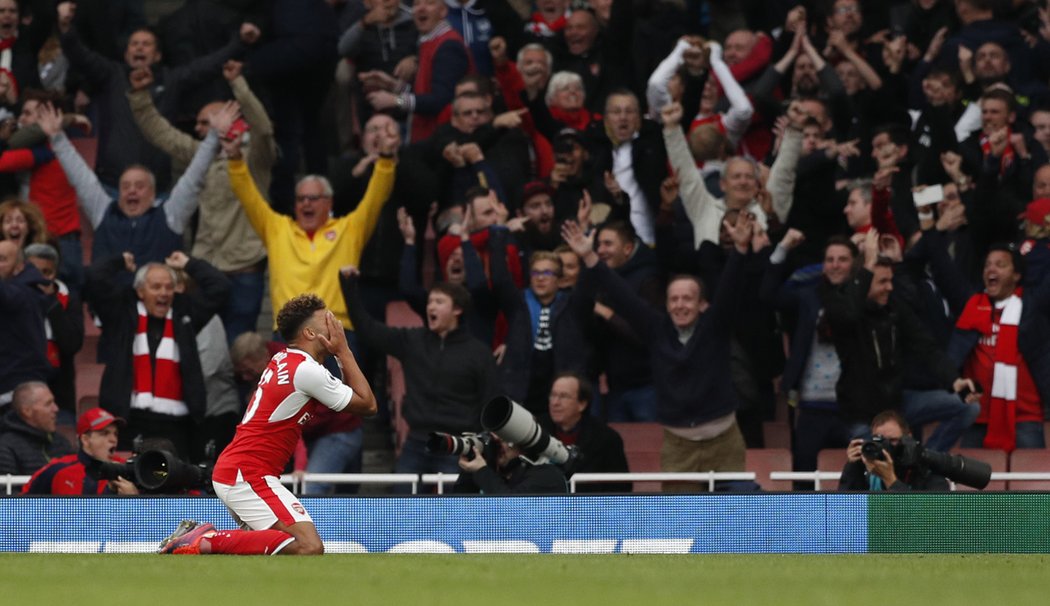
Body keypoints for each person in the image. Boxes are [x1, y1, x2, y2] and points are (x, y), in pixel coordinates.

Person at [158, 294, 377, 555]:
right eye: (327, 320)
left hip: (240, 470)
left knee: (273, 548)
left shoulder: (284, 359)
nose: (335, 326)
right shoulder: (305, 370)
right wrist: (343, 351)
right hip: (248, 474)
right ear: (309, 332)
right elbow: (368, 405)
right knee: (308, 546)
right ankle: (206, 539)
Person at [563, 214, 756, 492]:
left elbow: (730, 289)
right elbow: (622, 296)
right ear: (665, 304)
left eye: (687, 298)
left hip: (724, 441)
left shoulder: (715, 326)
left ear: (702, 304)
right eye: (673, 299)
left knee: (730, 520)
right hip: (678, 445)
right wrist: (590, 257)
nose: (680, 305)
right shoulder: (656, 328)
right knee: (679, 522)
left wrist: (740, 249)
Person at [127, 60, 274, 343]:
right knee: (200, 344)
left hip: (245, 269)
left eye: (205, 123)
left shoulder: (256, 159)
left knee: (240, 347)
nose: (197, 128)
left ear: (228, 122)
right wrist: (140, 96)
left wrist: (238, 85)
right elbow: (161, 134)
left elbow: (264, 130)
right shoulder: (200, 156)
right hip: (205, 269)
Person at [223, 116, 397, 344]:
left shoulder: (350, 229)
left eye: (313, 198)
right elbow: (248, 196)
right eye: (301, 199)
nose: (306, 204)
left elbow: (376, 196)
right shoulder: (277, 228)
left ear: (329, 203)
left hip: (336, 331)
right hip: (289, 331)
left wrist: (385, 160)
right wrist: (235, 160)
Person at [342, 267, 499, 480]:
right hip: (417, 441)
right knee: (402, 505)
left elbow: (490, 400)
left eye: (439, 302)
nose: (430, 306)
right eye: (430, 302)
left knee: (454, 509)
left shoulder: (478, 353)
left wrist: (483, 443)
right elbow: (367, 329)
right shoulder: (413, 341)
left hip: (457, 444)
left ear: (457, 310)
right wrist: (349, 286)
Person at [39, 101, 225, 268]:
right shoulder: (103, 211)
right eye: (126, 186)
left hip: (158, 301)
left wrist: (213, 138)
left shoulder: (171, 215)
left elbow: (194, 178)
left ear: (153, 194)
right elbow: (81, 178)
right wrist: (57, 138)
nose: (132, 191)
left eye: (139, 186)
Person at [84, 251, 230, 459]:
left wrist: (188, 264)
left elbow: (220, 286)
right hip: (129, 421)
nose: (164, 293)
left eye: (169, 287)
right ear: (140, 291)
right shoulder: (121, 311)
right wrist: (119, 261)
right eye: (156, 287)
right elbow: (95, 277)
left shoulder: (185, 312)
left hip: (176, 425)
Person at [541, 372, 629, 492]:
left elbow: (621, 487)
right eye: (553, 395)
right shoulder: (538, 431)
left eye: (564, 396)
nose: (555, 403)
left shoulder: (606, 438)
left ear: (582, 404)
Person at [21, 407, 138, 495]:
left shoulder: (127, 470)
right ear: (85, 439)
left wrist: (136, 500)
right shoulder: (57, 469)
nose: (113, 439)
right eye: (104, 433)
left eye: (115, 434)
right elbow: (20, 508)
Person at [839, 410, 949, 491]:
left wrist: (890, 479)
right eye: (880, 441)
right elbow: (843, 513)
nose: (886, 447)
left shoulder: (928, 468)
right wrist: (852, 467)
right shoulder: (865, 466)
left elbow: (928, 518)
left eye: (893, 440)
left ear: (908, 438)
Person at [0, 241, 50, 407]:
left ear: (19, 267)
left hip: (18, 391)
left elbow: (6, 295)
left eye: (2, 259)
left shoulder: (25, 293)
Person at [453, 434, 568, 494]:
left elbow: (510, 508)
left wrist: (481, 471)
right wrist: (471, 461)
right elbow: (457, 509)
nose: (497, 446)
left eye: (503, 439)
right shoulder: (495, 473)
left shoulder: (548, 476)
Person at [0, 382, 72, 475]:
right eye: (48, 404)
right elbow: (7, 489)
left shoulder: (61, 443)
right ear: (27, 411)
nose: (56, 409)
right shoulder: (6, 448)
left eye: (54, 402)